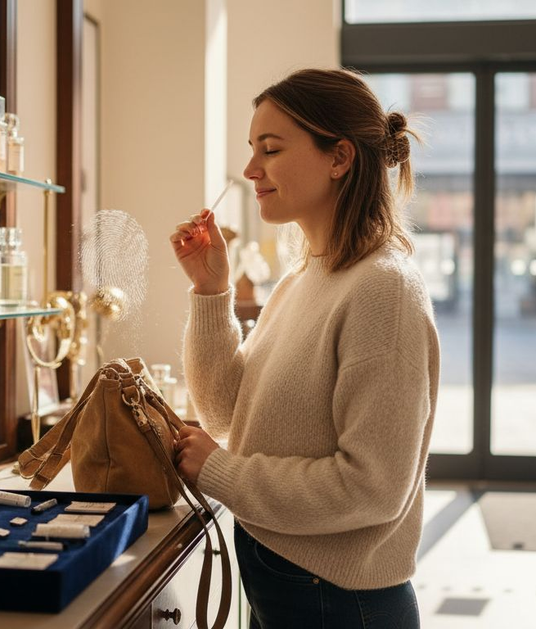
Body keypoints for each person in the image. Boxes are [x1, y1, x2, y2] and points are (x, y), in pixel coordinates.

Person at [170, 68, 439, 628]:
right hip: (289, 584)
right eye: (251, 150)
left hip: (339, 603)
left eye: (270, 149)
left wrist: (224, 475)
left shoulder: (382, 290)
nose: (250, 170)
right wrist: (211, 290)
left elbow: (372, 488)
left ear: (338, 158)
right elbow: (226, 413)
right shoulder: (305, 278)